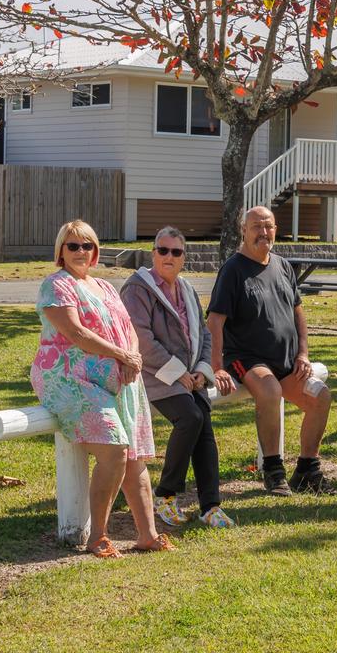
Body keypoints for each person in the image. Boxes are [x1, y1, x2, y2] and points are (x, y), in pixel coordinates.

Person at [31, 219, 174, 557]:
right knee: (114, 450)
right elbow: (75, 334)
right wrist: (121, 355)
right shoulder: (56, 285)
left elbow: (129, 327)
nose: (82, 252)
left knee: (134, 456)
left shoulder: (105, 287)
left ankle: (147, 535)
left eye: (88, 246)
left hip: (117, 376)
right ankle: (98, 536)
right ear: (61, 252)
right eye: (73, 246)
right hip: (68, 378)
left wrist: (132, 357)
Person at [206, 206, 334, 495]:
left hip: (287, 362)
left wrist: (303, 354)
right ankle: (274, 470)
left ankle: (307, 469)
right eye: (256, 227)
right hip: (248, 360)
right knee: (270, 391)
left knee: (320, 397)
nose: (263, 233)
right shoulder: (233, 270)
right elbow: (215, 321)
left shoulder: (282, 265)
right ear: (244, 230)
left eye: (269, 226)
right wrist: (217, 367)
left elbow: (298, 312)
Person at [121, 226, 235, 529]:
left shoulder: (185, 288)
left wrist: (200, 370)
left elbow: (203, 333)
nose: (168, 256)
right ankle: (166, 495)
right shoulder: (138, 289)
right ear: (153, 253)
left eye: (175, 251)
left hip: (188, 377)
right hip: (151, 375)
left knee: (204, 425)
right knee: (191, 419)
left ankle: (211, 506)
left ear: (184, 257)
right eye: (162, 250)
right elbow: (140, 338)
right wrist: (177, 372)